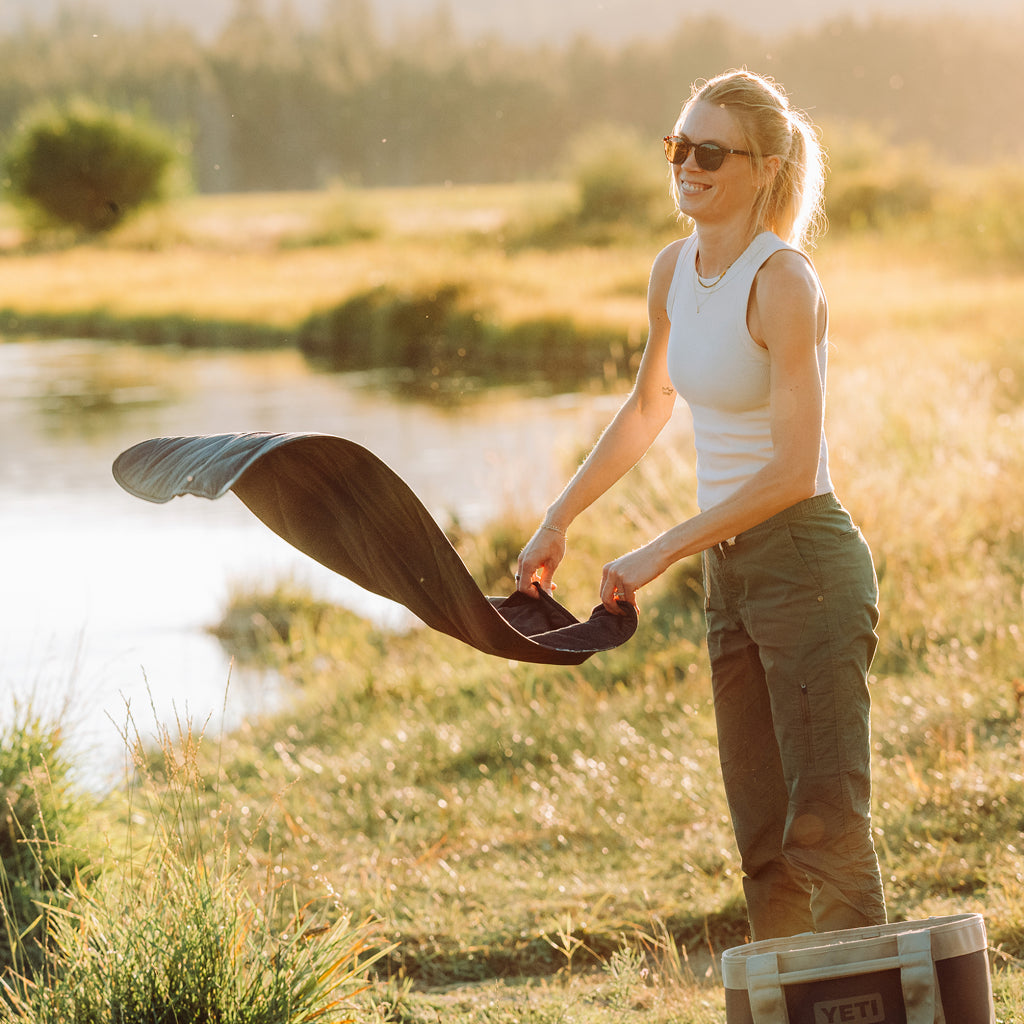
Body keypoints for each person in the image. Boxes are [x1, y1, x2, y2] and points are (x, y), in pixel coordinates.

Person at [515, 68, 886, 940]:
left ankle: (866, 996)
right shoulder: (674, 268)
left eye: (710, 150)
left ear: (763, 168)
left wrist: (659, 550)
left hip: (807, 565)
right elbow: (648, 408)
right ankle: (793, 999)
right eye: (679, 145)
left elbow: (794, 471)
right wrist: (557, 520)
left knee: (825, 830)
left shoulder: (783, 282)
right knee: (762, 842)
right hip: (736, 579)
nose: (686, 164)